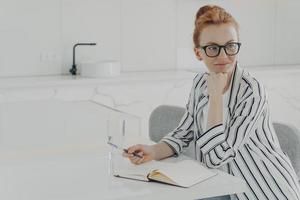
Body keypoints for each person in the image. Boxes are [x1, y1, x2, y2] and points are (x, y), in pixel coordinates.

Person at [123, 5, 300, 200]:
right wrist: (153, 151)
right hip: (222, 186)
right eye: (213, 48)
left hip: (264, 191)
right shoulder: (200, 84)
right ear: (199, 53)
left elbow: (216, 157)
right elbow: (184, 133)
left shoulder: (251, 91)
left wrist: (215, 98)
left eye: (231, 46)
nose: (223, 56)